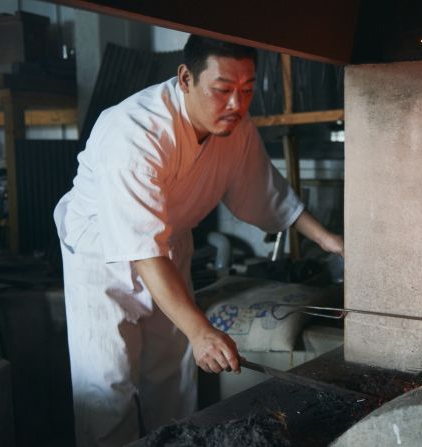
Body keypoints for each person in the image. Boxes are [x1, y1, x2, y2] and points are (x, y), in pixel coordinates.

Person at [54, 35, 344, 447]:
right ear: (186, 78)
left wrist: (332, 241)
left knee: (172, 382)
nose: (236, 104)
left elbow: (266, 192)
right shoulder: (133, 131)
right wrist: (199, 331)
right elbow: (140, 248)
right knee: (107, 388)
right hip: (99, 257)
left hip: (168, 247)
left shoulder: (236, 127)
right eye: (223, 89)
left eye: (246, 90)